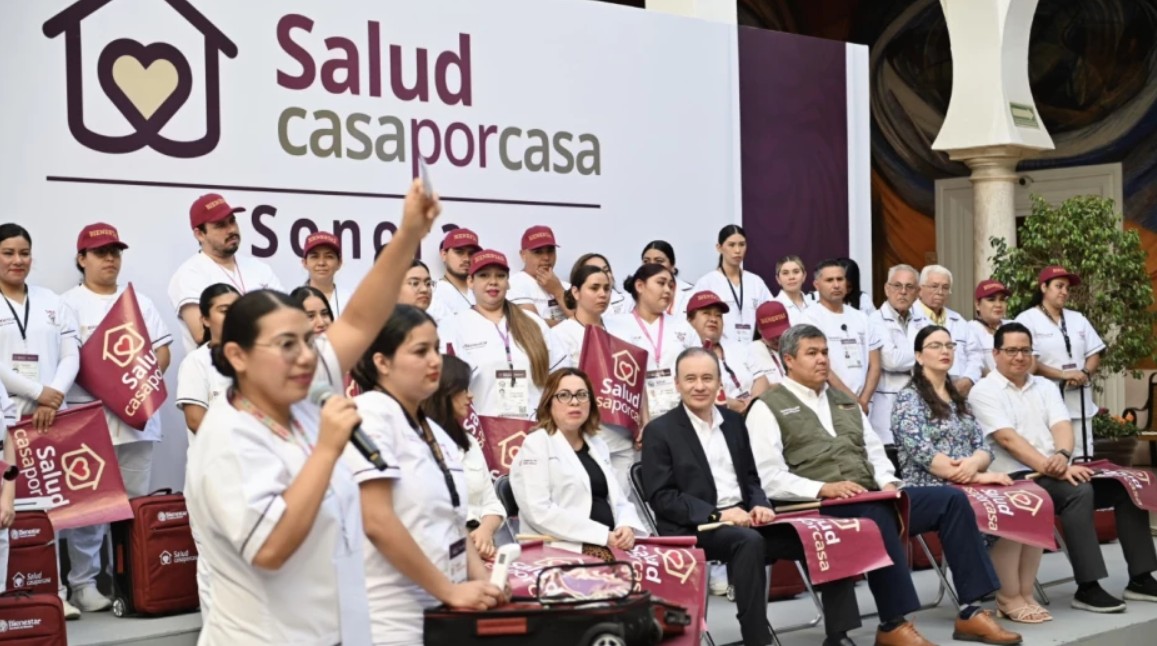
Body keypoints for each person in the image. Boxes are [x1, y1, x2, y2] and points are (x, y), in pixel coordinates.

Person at [184, 179, 440, 645]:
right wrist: (326, 450)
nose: (307, 356)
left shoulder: (295, 386)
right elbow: (271, 549)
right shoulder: (227, 439)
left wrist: (407, 235)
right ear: (238, 356)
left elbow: (361, 318)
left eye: (308, 340)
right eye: (286, 344)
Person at [746, 324, 1021, 646]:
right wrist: (822, 489)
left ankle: (971, 611)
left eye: (824, 352)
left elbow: (874, 452)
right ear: (788, 360)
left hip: (868, 494)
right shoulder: (767, 407)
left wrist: (890, 484)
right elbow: (770, 477)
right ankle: (893, 624)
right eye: (812, 353)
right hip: (815, 504)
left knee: (950, 500)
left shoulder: (844, 401)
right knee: (877, 516)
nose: (822, 359)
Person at [642, 347, 861, 646]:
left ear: (720, 383)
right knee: (749, 543)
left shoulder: (733, 423)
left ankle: (839, 634)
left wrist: (759, 503)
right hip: (696, 528)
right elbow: (662, 498)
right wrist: (718, 515)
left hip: (745, 519)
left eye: (707, 378)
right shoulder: (660, 431)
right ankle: (757, 640)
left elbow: (751, 478)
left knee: (825, 532)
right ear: (677, 384)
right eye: (690, 379)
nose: (699, 386)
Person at [969, 322, 1157, 614]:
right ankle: (1088, 586)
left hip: (1057, 466)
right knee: (1078, 492)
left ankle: (1141, 578)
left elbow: (1062, 425)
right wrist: (1054, 467)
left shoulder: (1043, 385)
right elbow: (1008, 440)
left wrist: (1063, 455)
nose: (1019, 356)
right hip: (1018, 477)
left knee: (1127, 485)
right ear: (995, 353)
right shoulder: (984, 391)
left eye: (1025, 350)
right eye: (1011, 350)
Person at [347, 305, 506, 645]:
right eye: (420, 351)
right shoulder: (370, 415)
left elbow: (453, 521)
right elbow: (376, 521)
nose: (435, 360)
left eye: (436, 348)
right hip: (387, 618)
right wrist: (449, 590)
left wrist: (484, 586)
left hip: (442, 612)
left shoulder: (435, 430)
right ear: (382, 362)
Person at [892, 327, 1047, 623]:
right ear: (918, 355)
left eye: (949, 345)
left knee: (1028, 498)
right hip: (930, 487)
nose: (944, 351)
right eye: (935, 345)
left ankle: (1024, 593)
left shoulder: (957, 396)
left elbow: (984, 445)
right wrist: (976, 477)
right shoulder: (908, 399)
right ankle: (1007, 596)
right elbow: (923, 454)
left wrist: (976, 465)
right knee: (1005, 508)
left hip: (968, 480)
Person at [62, 222, 174, 613]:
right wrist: (109, 387)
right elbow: (66, 362)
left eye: (116, 251)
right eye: (100, 252)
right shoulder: (66, 304)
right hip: (87, 421)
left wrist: (131, 388)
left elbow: (162, 353)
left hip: (137, 421)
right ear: (82, 259)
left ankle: (132, 578)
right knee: (89, 507)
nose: (111, 258)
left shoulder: (138, 302)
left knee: (132, 507)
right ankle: (84, 584)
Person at [0, 223, 82, 619]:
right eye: (8, 253)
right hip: (6, 418)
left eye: (24, 252)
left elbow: (71, 354)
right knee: (7, 510)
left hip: (50, 419)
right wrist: (37, 394)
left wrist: (54, 394)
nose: (18, 261)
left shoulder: (52, 301)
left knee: (54, 507)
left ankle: (56, 594)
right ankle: (9, 594)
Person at [511, 368, 648, 549]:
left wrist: (626, 526)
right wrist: (602, 536)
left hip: (611, 544)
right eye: (564, 395)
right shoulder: (536, 444)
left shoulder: (597, 444)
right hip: (560, 549)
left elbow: (619, 499)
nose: (575, 402)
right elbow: (538, 511)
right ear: (548, 403)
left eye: (582, 395)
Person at [175, 283, 238, 620]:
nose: (233, 316)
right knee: (215, 565)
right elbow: (196, 419)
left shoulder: (254, 360)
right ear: (204, 318)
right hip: (211, 480)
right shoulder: (196, 363)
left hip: (251, 479)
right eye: (224, 310)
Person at [449, 249, 566, 420]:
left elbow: (560, 377)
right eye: (484, 275)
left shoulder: (534, 323)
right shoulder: (453, 327)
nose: (493, 282)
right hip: (481, 434)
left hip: (535, 432)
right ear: (470, 281)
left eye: (500, 276)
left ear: (508, 282)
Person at [168, 193, 283, 350]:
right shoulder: (189, 274)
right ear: (200, 234)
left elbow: (285, 315)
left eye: (232, 221)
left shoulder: (259, 268)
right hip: (215, 369)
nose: (231, 230)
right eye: (220, 225)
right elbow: (202, 334)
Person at [1014, 266, 1104, 459]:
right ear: (1044, 287)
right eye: (1059, 286)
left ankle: (1084, 489)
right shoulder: (1027, 319)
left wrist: (1085, 374)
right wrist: (1064, 374)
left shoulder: (1077, 318)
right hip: (1047, 399)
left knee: (1082, 456)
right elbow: (1030, 363)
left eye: (1067, 288)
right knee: (1053, 455)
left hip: (1079, 399)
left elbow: (1095, 352)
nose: (1064, 292)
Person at [423, 354, 507, 560]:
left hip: (482, 550)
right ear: (443, 392)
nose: (471, 396)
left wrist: (485, 532)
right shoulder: (415, 444)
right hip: (440, 556)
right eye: (464, 389)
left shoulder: (469, 442)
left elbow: (492, 503)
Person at [605, 264, 699, 425]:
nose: (668, 290)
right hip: (631, 417)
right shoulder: (614, 325)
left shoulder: (683, 326)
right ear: (640, 286)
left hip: (680, 416)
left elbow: (699, 366)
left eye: (671, 285)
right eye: (661, 283)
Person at [806, 259, 882, 412]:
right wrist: (853, 400)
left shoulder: (862, 318)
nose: (836, 285)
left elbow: (875, 364)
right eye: (829, 280)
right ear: (816, 285)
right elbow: (821, 365)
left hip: (864, 403)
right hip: (828, 402)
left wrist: (864, 400)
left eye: (840, 279)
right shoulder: (810, 318)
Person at [868, 264, 920, 465]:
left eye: (909, 287)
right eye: (897, 286)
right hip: (886, 403)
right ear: (886, 289)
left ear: (917, 292)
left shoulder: (923, 320)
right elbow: (891, 360)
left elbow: (939, 356)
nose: (903, 292)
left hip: (918, 402)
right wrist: (923, 355)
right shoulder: (874, 321)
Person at [685, 291, 769, 411]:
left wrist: (752, 406)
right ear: (690, 320)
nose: (713, 319)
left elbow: (762, 379)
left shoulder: (738, 347)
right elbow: (704, 394)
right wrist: (741, 408)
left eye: (718, 315)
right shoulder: (687, 355)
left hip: (755, 413)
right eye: (706, 313)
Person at [692, 225, 773, 346]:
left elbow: (771, 314)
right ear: (719, 248)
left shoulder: (756, 282)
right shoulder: (707, 282)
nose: (737, 250)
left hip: (751, 350)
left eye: (742, 244)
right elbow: (694, 319)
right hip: (720, 351)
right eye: (731, 245)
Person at [911, 265, 982, 397]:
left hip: (959, 391)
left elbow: (975, 354)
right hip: (923, 390)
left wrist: (968, 379)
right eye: (934, 286)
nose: (940, 292)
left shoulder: (958, 320)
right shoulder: (910, 317)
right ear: (920, 289)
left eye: (945, 287)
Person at [508, 225, 570, 326]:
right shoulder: (515, 283)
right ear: (523, 255)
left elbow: (584, 323)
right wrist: (571, 324)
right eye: (538, 252)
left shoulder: (566, 287)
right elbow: (532, 325)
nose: (546, 257)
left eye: (550, 251)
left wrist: (558, 291)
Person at [551, 264, 610, 366]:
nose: (603, 294)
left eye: (606, 288)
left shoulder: (618, 325)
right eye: (594, 288)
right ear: (576, 292)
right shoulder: (559, 334)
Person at [301, 231, 353, 319]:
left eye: (329, 256)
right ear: (305, 263)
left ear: (339, 263)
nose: (321, 263)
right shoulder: (292, 302)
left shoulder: (351, 301)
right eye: (315, 256)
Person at [431, 228, 481, 317]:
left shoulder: (486, 291)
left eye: (471, 253)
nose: (466, 259)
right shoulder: (433, 293)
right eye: (459, 252)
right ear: (444, 255)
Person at [970, 280, 1012, 378]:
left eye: (1002, 299)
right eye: (991, 299)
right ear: (977, 304)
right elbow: (977, 366)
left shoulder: (1014, 326)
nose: (998, 305)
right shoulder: (969, 330)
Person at [641, 240, 694, 316]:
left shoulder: (692, 293)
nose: (652, 265)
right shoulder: (632, 295)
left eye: (659, 261)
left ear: (672, 265)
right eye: (646, 261)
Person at [748, 300, 791, 386]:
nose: (777, 339)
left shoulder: (797, 345)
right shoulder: (752, 351)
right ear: (759, 330)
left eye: (781, 334)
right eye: (772, 335)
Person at [772, 255, 811, 324]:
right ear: (778, 279)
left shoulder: (815, 305)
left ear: (804, 276)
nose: (791, 277)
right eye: (785, 273)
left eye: (796, 272)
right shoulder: (772, 308)